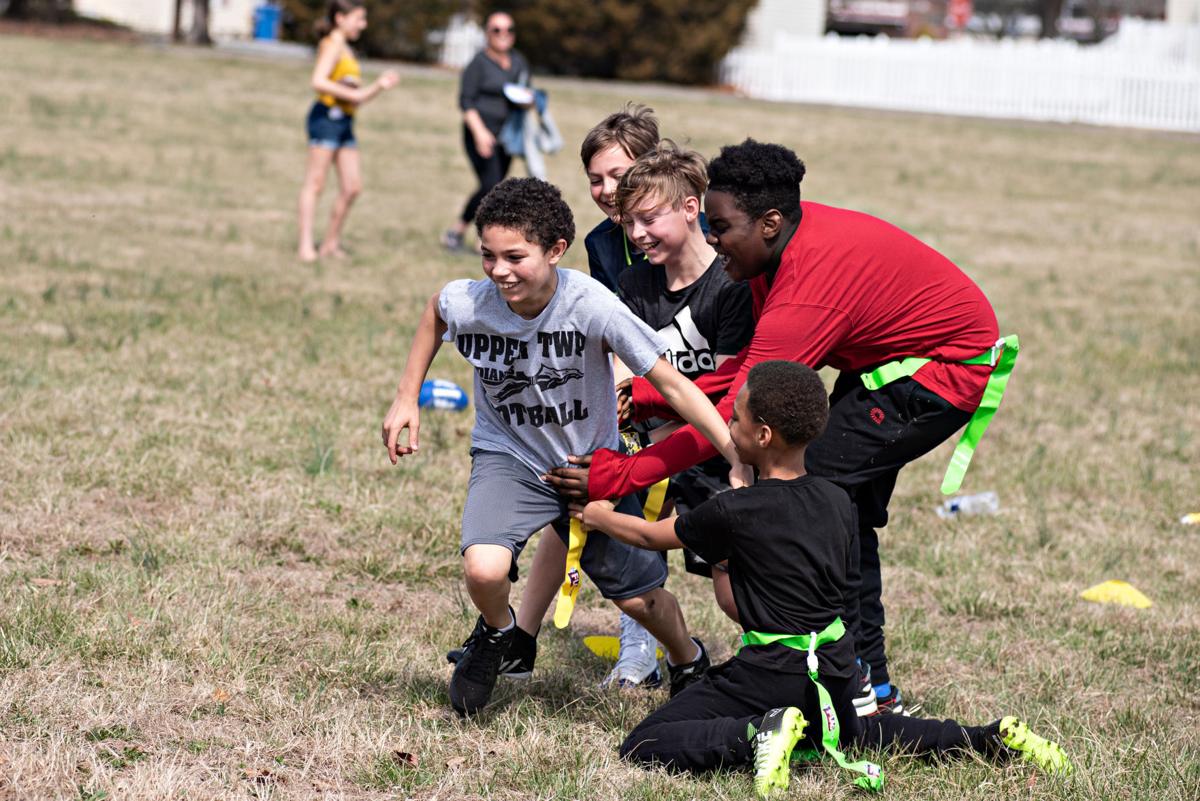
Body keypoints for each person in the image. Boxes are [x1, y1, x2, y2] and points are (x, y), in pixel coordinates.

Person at [547, 139, 1018, 716]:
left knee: (811, 494)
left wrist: (628, 471)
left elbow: (734, 417)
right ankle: (867, 682)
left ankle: (860, 687)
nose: (713, 240)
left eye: (720, 227)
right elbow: (748, 376)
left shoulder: (806, 289)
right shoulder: (776, 250)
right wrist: (645, 397)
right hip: (884, 364)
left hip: (940, 374)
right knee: (837, 510)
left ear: (769, 223)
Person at [573, 361, 1070, 798]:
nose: (728, 422)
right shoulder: (837, 501)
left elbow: (645, 536)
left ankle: (758, 733)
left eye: (736, 417)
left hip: (771, 671)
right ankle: (990, 738)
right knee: (869, 733)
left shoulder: (731, 510)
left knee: (646, 740)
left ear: (762, 435)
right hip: (836, 668)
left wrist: (597, 515)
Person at [382, 177, 745, 715]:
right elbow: (438, 309)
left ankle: (687, 659)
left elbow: (671, 383)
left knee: (639, 600)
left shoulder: (591, 305)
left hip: (588, 467)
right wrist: (406, 395)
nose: (499, 271)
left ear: (555, 251)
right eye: (487, 255)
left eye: (514, 257)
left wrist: (736, 454)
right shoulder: (475, 301)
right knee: (483, 568)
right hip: (511, 456)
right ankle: (498, 634)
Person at [297, 0, 398, 262]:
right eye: (359, 19)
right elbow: (318, 81)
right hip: (326, 119)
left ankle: (330, 244)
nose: (363, 25)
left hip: (344, 122)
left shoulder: (346, 49)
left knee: (352, 187)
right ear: (340, 18)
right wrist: (362, 90)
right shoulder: (332, 44)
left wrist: (375, 87)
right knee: (315, 184)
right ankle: (305, 246)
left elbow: (356, 97)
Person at [442, 11, 530, 253]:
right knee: (490, 185)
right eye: (497, 30)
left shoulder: (518, 61)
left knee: (496, 187)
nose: (503, 35)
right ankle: (468, 235)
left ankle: (463, 234)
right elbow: (466, 102)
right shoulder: (478, 64)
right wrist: (480, 132)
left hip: (507, 137)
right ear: (487, 34)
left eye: (508, 30)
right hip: (479, 133)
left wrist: (530, 100)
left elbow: (524, 92)